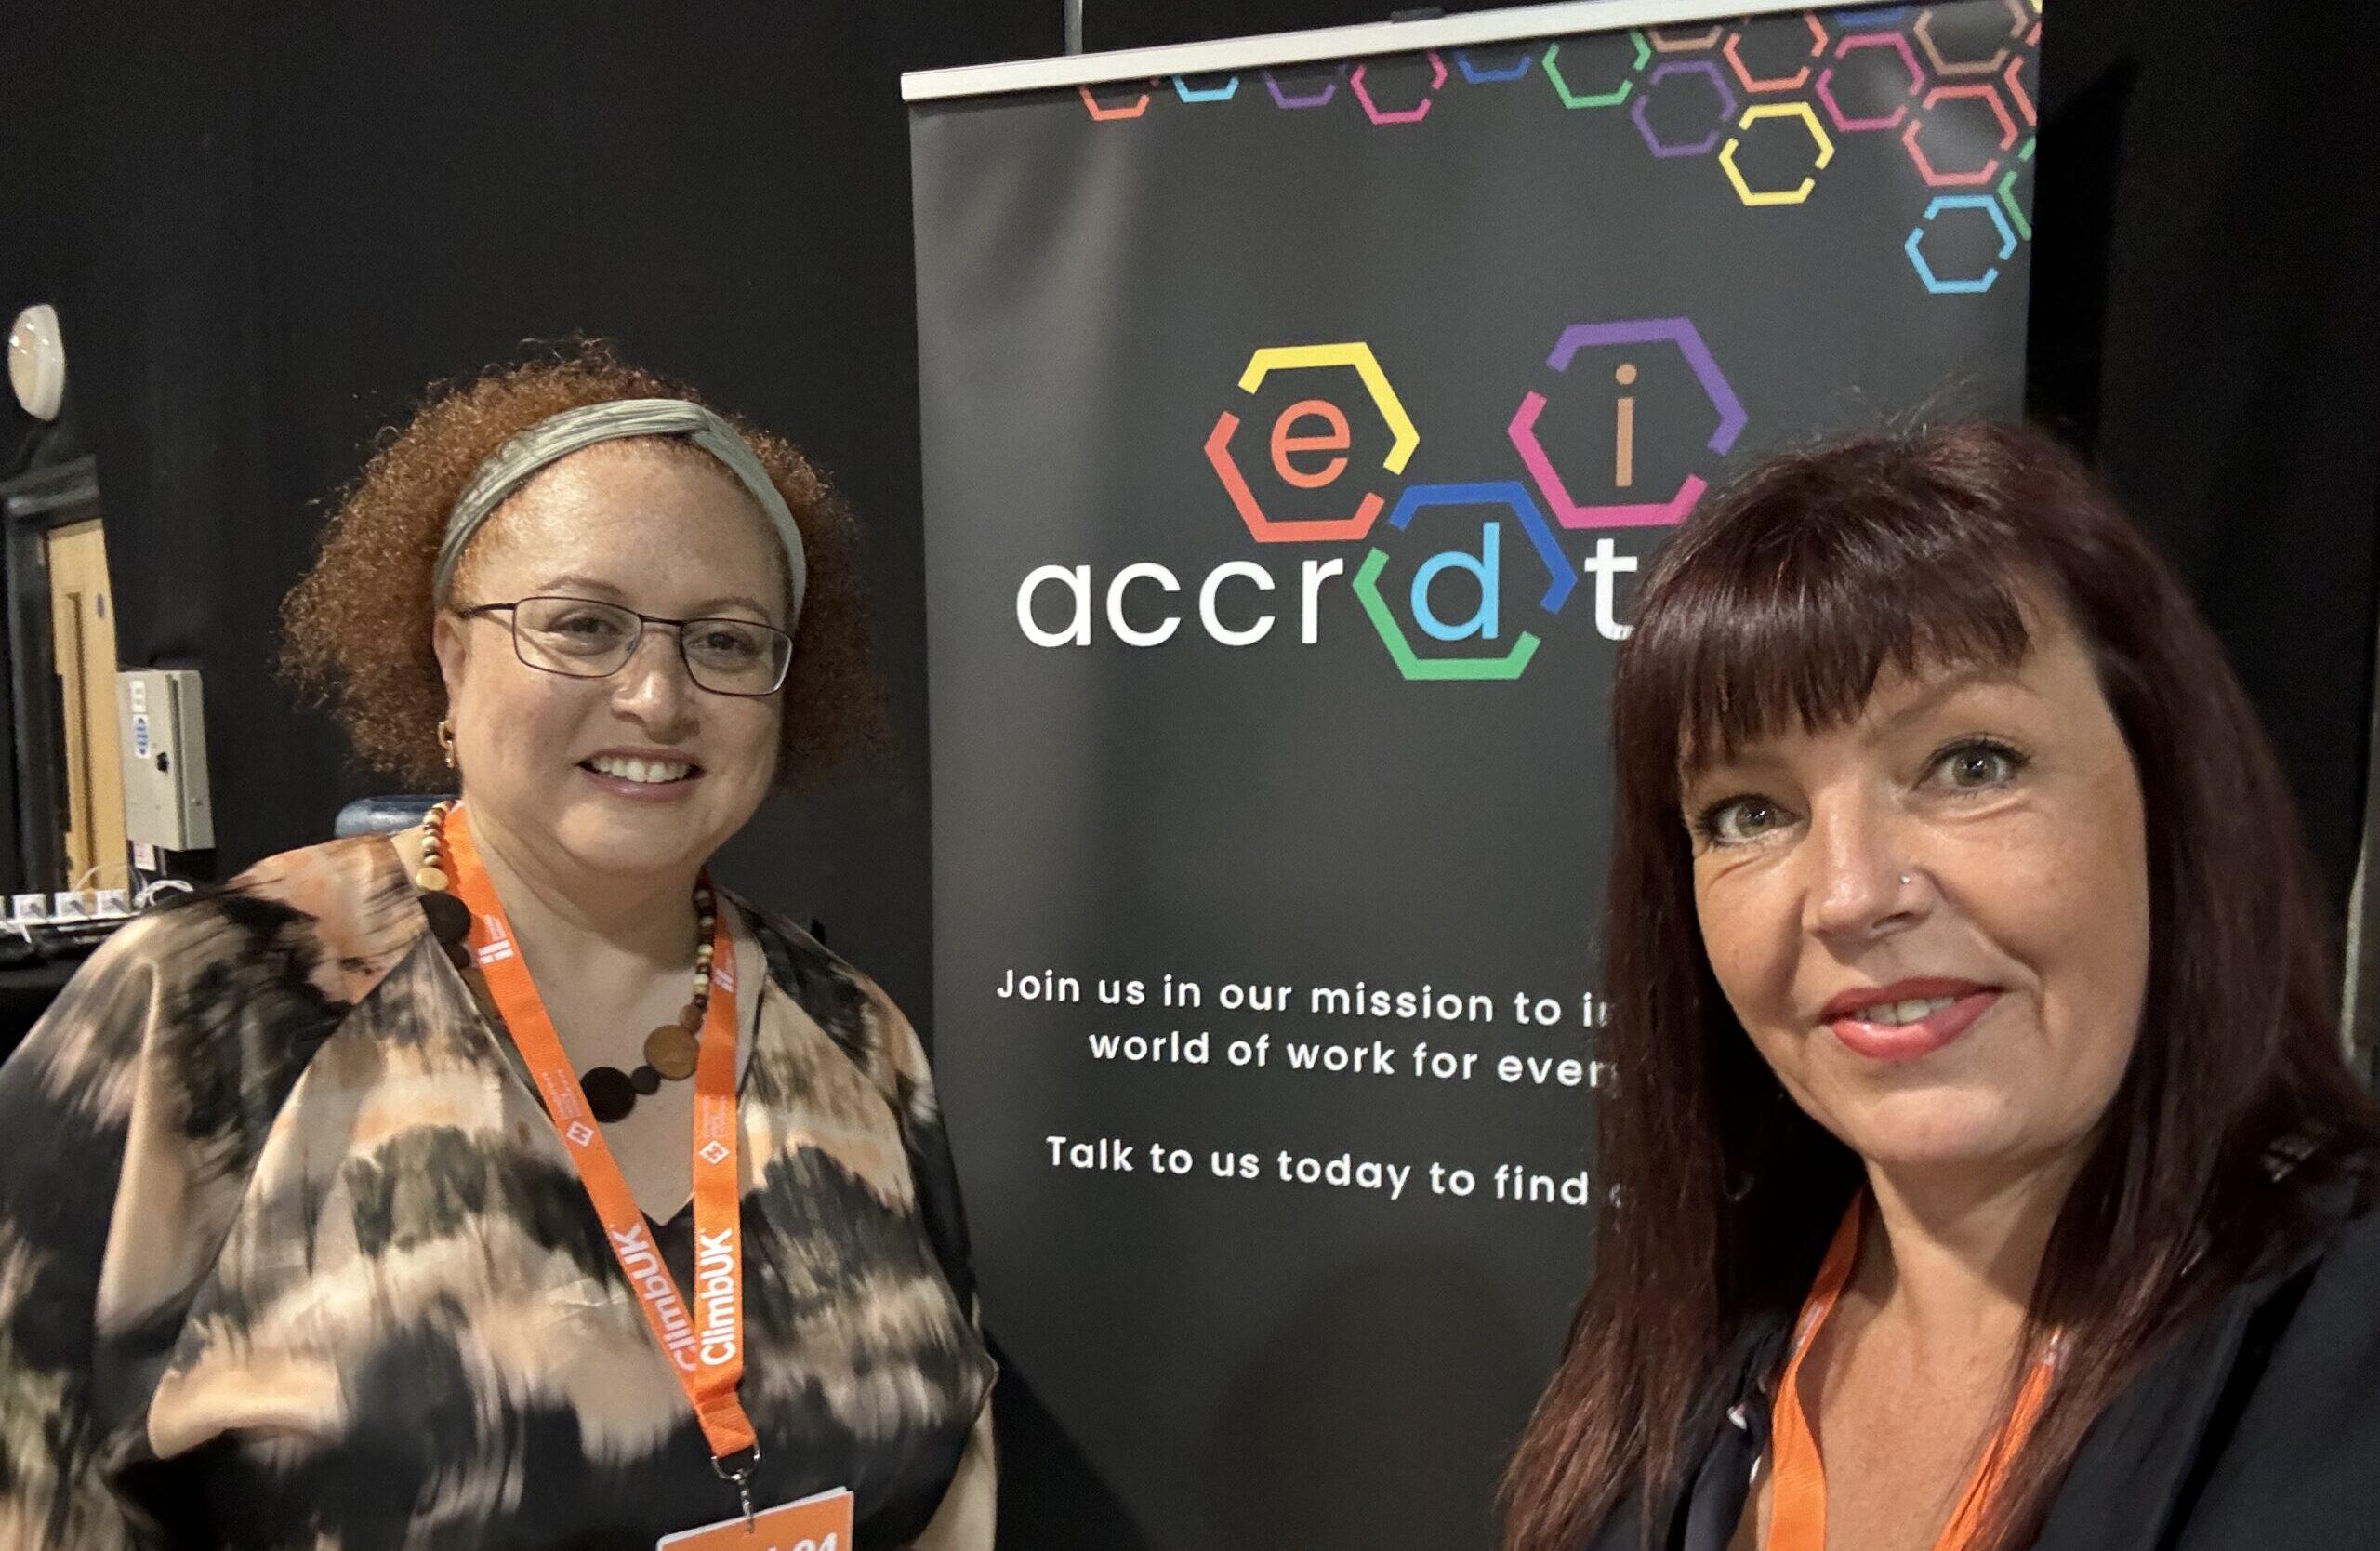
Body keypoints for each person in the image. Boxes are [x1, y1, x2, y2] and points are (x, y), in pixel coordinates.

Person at [0, 342, 995, 1549]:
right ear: (449, 651)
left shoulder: (853, 1036)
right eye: (583, 625)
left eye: (727, 642)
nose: (658, 699)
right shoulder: (213, 1013)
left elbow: (952, 1480)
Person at [1501, 423, 2380, 1551]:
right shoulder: (1675, 1337)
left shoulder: (2337, 1342)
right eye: (1750, 813)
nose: (1851, 895)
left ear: (2172, 808)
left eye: (1970, 763)